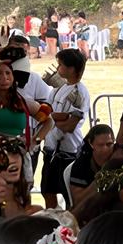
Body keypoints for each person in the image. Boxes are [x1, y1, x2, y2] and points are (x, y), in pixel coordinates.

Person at [41, 48, 90, 210]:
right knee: (47, 191)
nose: (57, 69)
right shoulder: (58, 88)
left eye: (60, 65)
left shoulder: (79, 93)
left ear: (71, 69)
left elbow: (70, 126)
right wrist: (55, 117)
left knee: (69, 195)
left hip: (68, 151)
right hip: (50, 149)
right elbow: (44, 112)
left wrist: (50, 118)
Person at [67, 124, 115, 208]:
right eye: (100, 145)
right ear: (91, 143)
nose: (105, 149)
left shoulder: (119, 158)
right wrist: (99, 180)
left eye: (109, 144)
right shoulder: (81, 164)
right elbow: (78, 200)